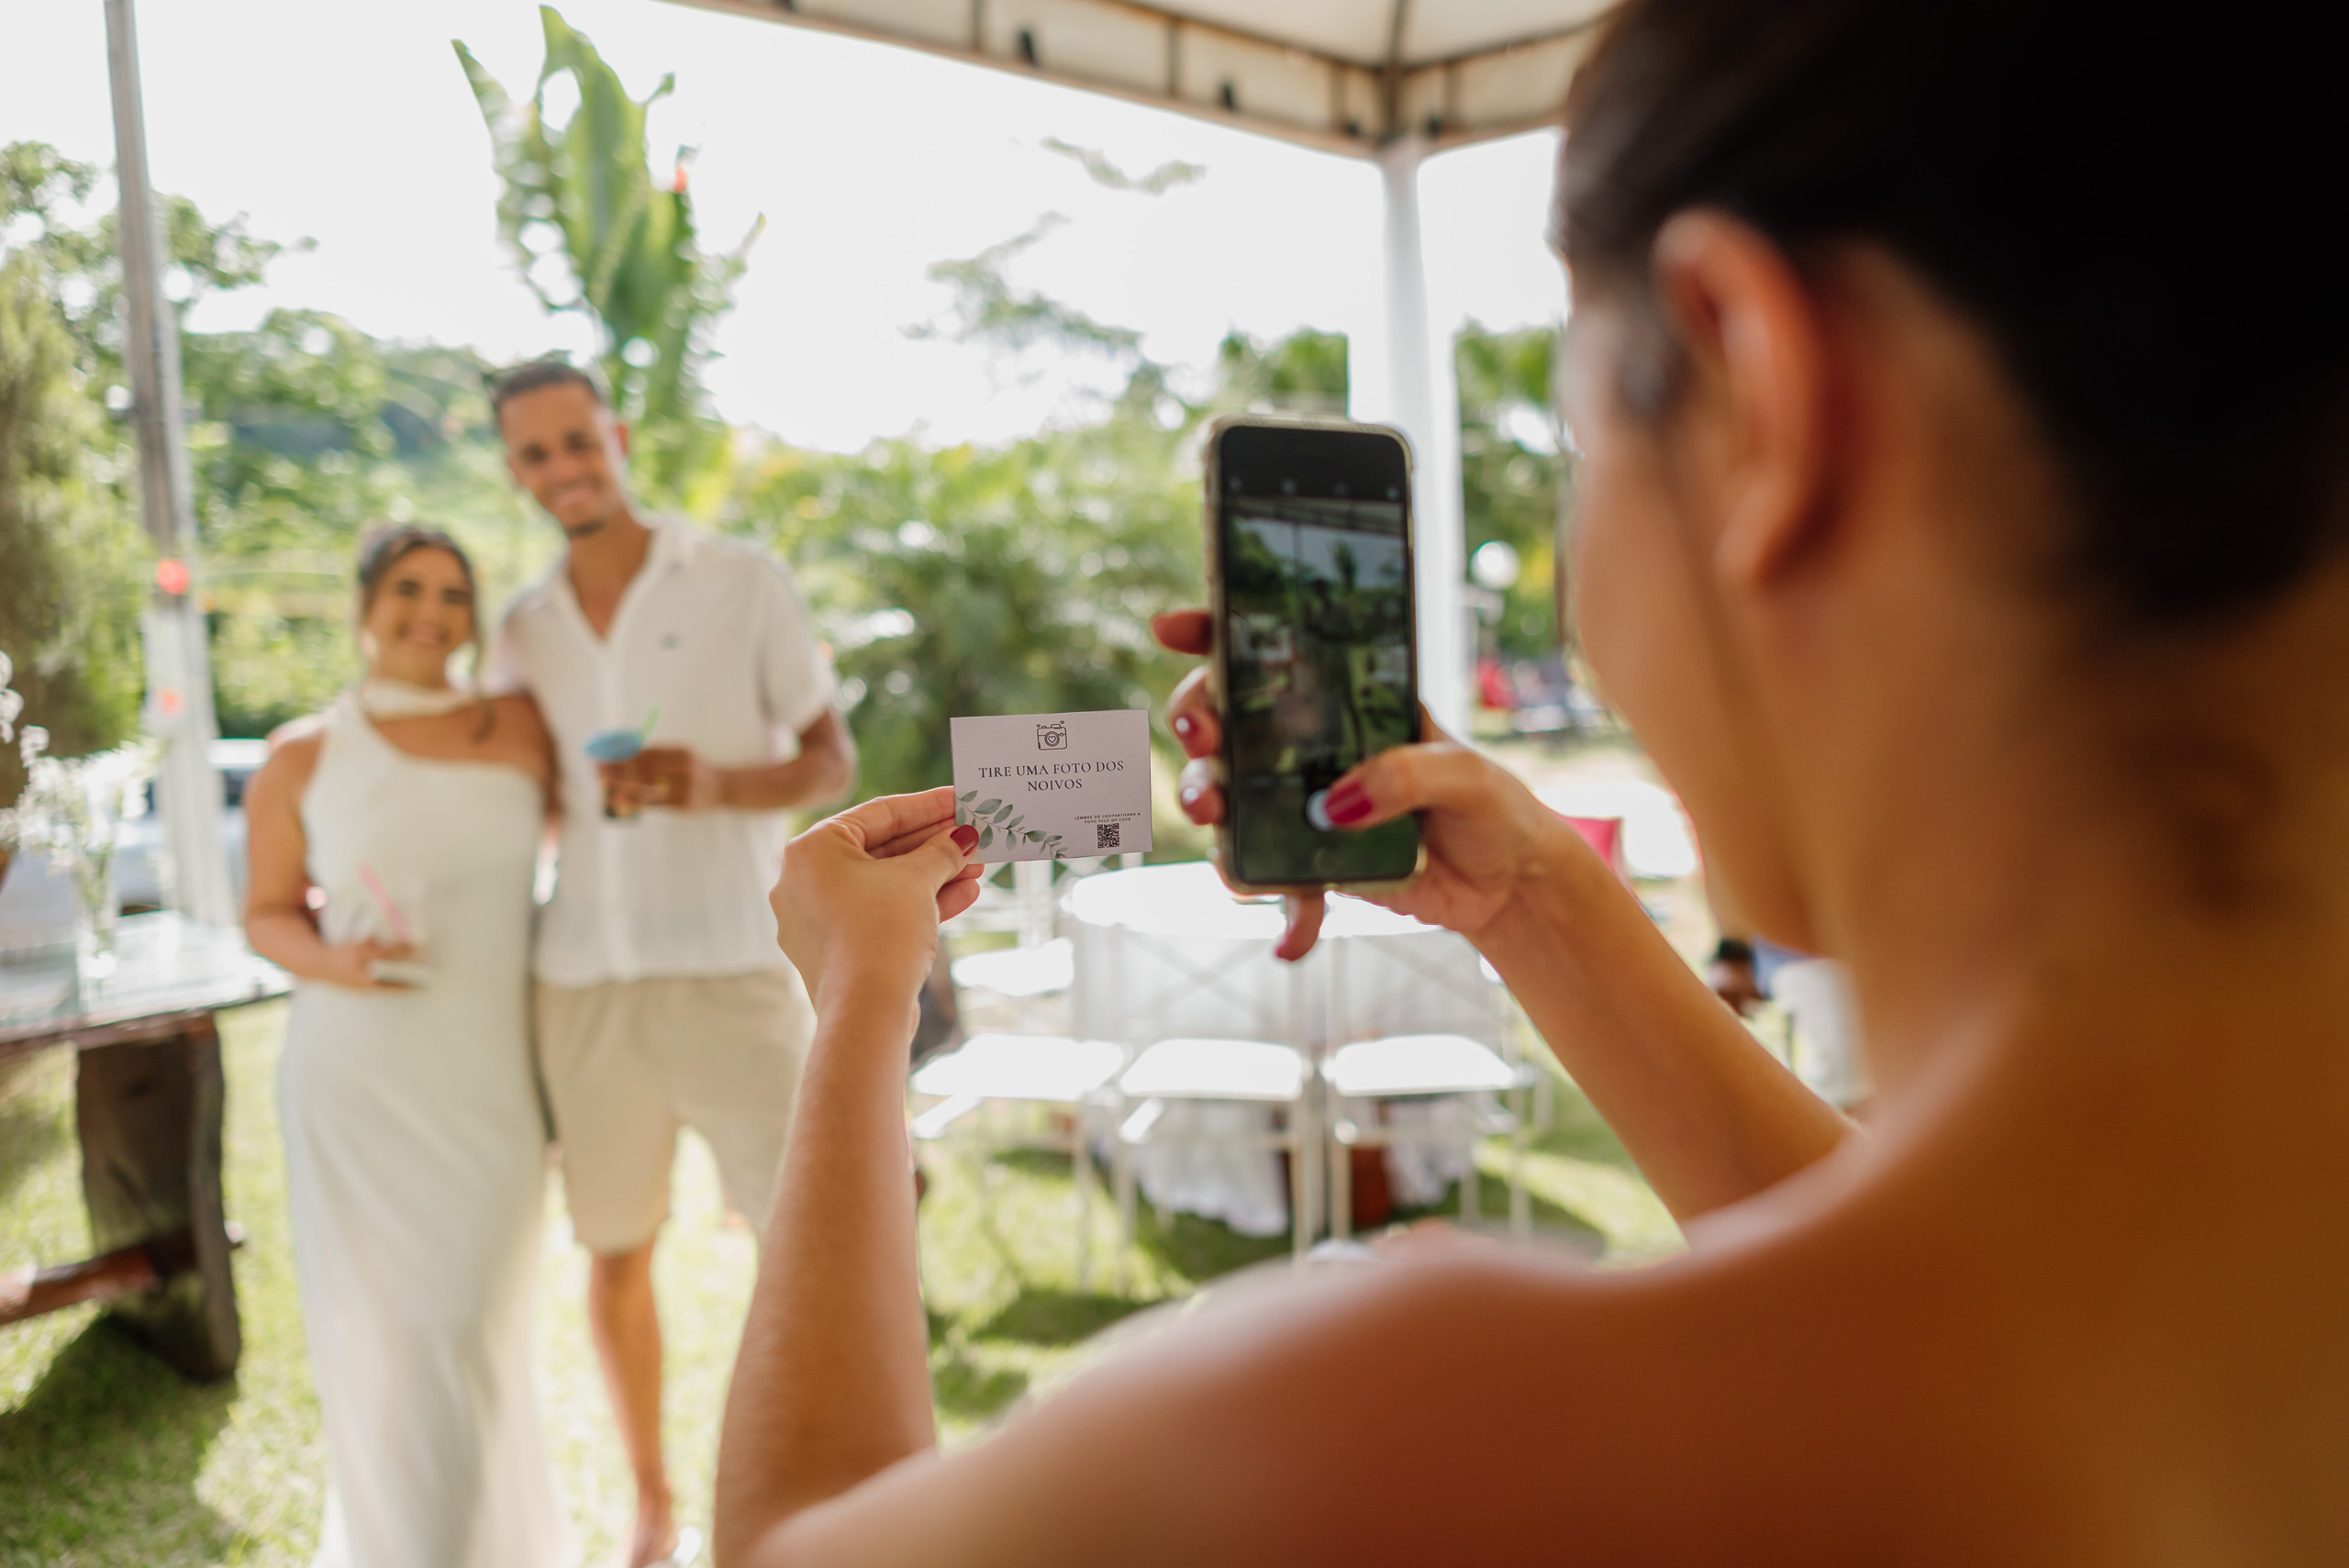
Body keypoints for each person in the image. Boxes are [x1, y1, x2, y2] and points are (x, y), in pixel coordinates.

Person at [708, 0, 2349, 1560]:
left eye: (1580, 441)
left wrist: (863, 998)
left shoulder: (1431, 1444)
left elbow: (796, 1542)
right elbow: (1958, 1300)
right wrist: (1536, 898)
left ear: (1758, 395)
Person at [486, 360, 854, 1568]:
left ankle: (814, 1494)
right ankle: (653, 1506)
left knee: (803, 1245)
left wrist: (715, 782)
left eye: (577, 441)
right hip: (582, 981)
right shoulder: (522, 628)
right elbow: (528, 798)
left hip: (735, 964)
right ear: (514, 469)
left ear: (619, 436)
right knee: (614, 1249)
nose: (563, 468)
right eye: (535, 453)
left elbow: (830, 758)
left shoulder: (742, 579)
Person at [244, 528, 566, 1568]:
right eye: (407, 588)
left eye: (453, 593)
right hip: (357, 1083)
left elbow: (590, 848)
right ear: (363, 606)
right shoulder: (301, 754)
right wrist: (338, 960)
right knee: (386, 1341)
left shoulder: (521, 725)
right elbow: (266, 912)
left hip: (492, 1084)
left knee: (470, 1327)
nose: (431, 611)